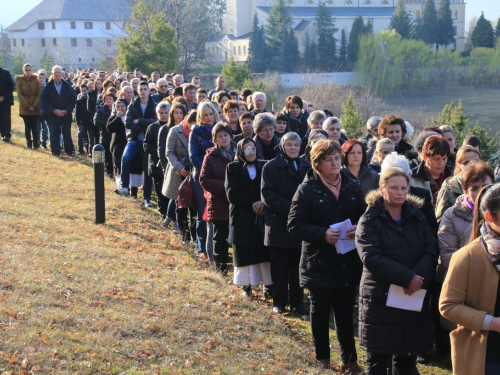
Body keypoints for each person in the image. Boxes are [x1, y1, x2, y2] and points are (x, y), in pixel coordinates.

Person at [288, 140, 366, 372]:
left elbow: (365, 216)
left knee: (344, 313)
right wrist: (322, 234)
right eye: (328, 159)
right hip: (318, 261)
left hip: (346, 260)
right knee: (320, 312)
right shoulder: (307, 189)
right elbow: (294, 224)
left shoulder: (352, 185)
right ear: (317, 163)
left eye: (336, 158)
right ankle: (322, 358)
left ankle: (349, 360)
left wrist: (357, 228)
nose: (334, 163)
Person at [356, 167, 438, 375]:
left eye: (403, 188)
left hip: (411, 298)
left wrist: (417, 279)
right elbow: (371, 257)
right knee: (378, 362)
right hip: (380, 299)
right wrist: (407, 277)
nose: (400, 192)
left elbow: (431, 249)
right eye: (393, 188)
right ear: (382, 189)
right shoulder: (370, 220)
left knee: (406, 361)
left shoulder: (417, 217)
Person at [440, 184, 500, 375]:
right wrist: (493, 323)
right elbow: (448, 305)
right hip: (487, 357)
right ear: (489, 217)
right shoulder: (467, 256)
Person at [262, 132, 311, 315]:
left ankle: (298, 303)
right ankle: (279, 302)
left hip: (300, 225)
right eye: (289, 144)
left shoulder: (306, 167)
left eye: (296, 145)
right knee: (280, 268)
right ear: (283, 146)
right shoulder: (271, 167)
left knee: (298, 267)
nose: (293, 148)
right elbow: (268, 195)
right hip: (279, 224)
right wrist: (294, 208)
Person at [226, 138, 272, 296]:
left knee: (264, 251)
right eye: (246, 150)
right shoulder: (233, 168)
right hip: (241, 216)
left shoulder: (264, 166)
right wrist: (251, 204)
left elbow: (269, 188)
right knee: (243, 251)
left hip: (261, 215)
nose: (251, 152)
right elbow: (232, 193)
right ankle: (246, 285)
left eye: (253, 148)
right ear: (240, 151)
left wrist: (263, 203)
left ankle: (268, 285)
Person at [199, 123, 236, 275]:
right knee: (219, 237)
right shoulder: (210, 156)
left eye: (225, 135)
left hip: (236, 202)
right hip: (219, 202)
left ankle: (238, 269)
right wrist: (226, 185)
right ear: (215, 139)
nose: (223, 138)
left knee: (237, 238)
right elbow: (203, 179)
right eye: (219, 136)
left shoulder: (238, 153)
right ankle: (220, 268)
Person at [115, 81, 157, 208]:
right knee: (125, 158)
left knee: (147, 169)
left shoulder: (154, 105)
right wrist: (144, 127)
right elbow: (128, 123)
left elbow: (155, 122)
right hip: (134, 139)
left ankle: (147, 197)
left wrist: (139, 121)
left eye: (145, 89)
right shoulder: (132, 105)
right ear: (137, 91)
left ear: (149, 91)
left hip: (148, 141)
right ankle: (124, 187)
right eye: (141, 89)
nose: (143, 91)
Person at [189, 102, 218, 258]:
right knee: (203, 213)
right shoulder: (196, 132)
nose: (208, 117)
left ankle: (217, 248)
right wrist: (206, 170)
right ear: (200, 116)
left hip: (218, 177)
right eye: (205, 114)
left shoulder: (220, 129)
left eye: (211, 114)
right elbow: (193, 155)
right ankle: (202, 249)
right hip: (201, 176)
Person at [163, 110, 196, 241]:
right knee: (180, 204)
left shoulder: (199, 131)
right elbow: (169, 152)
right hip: (178, 171)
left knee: (194, 206)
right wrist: (180, 168)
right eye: (191, 124)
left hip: (193, 171)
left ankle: (195, 236)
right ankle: (184, 235)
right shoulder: (175, 131)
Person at [435, 145, 481, 222]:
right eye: (466, 163)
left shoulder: (487, 183)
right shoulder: (449, 187)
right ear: (458, 166)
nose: (471, 166)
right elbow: (441, 220)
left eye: (475, 162)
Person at [41, 65, 77, 157]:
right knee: (54, 133)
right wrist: (53, 110)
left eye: (59, 72)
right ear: (52, 74)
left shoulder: (67, 86)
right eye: (55, 72)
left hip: (65, 114)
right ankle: (55, 151)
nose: (57, 74)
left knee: (67, 133)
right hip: (53, 115)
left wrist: (66, 110)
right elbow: (45, 100)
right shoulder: (48, 86)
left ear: (62, 74)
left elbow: (73, 99)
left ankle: (69, 151)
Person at [144, 102, 170, 222]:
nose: (164, 115)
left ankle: (170, 215)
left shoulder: (172, 127)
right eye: (161, 113)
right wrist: (160, 153)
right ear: (157, 113)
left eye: (166, 113)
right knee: (160, 190)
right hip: (156, 164)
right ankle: (163, 213)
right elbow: (146, 145)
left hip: (170, 164)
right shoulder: (152, 127)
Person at [411, 135, 452, 207]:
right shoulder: (411, 178)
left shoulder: (453, 177)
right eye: (436, 159)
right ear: (424, 157)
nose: (441, 163)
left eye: (444, 158)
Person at [16, 64, 42, 149]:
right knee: (27, 126)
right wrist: (27, 106)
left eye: (29, 70)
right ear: (23, 71)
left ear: (32, 70)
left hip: (35, 107)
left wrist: (34, 105)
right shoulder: (20, 81)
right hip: (25, 108)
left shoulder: (36, 80)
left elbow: (39, 93)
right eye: (26, 70)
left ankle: (35, 144)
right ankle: (28, 144)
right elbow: (19, 94)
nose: (28, 72)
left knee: (35, 126)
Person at [94, 91, 116, 177]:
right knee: (107, 154)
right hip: (105, 135)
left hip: (115, 135)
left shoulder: (117, 108)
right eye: (106, 99)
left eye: (110, 99)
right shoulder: (100, 109)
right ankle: (109, 171)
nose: (108, 100)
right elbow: (96, 121)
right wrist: (108, 123)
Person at [106, 98, 128, 183]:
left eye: (122, 106)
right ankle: (120, 183)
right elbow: (110, 128)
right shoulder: (114, 117)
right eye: (118, 107)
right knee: (118, 165)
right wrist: (118, 118)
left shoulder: (130, 117)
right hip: (117, 145)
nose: (120, 108)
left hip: (127, 143)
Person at [75, 84, 93, 156]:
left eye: (85, 90)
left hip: (91, 122)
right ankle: (80, 150)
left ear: (87, 90)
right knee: (80, 135)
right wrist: (78, 123)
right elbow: (77, 113)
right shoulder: (79, 102)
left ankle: (90, 151)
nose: (83, 92)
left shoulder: (91, 100)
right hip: (83, 122)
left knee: (91, 137)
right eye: (82, 91)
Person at [0, 66, 14, 142]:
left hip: (6, 100)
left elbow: (11, 86)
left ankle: (7, 135)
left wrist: (3, 97)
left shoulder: (6, 73)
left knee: (6, 118)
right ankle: (2, 134)